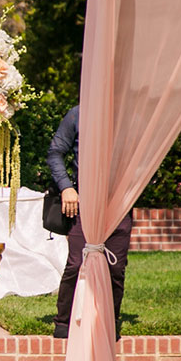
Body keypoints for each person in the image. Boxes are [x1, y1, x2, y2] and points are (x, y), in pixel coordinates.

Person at [50, 104, 133, 338]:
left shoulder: (128, 114)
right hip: (83, 200)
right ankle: (64, 323)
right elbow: (55, 152)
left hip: (119, 202)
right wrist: (66, 187)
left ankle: (109, 321)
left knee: (115, 267)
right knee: (77, 263)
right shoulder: (78, 113)